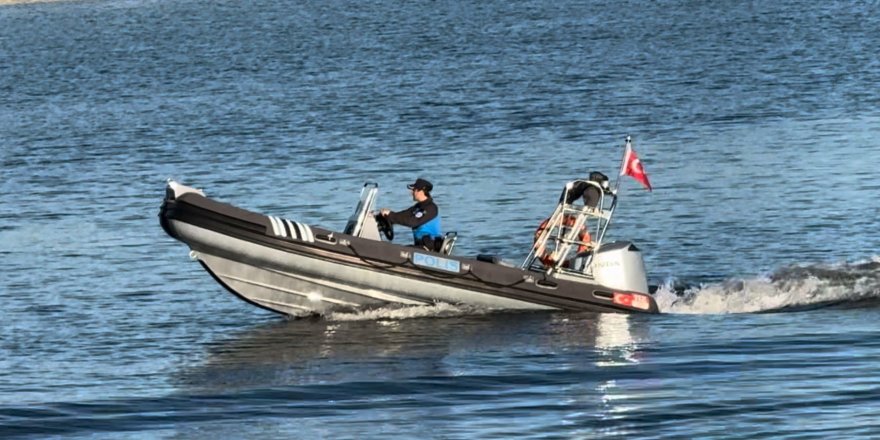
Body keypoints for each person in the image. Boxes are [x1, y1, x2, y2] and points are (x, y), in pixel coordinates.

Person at [379, 178, 442, 250]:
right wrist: (385, 217)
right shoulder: (418, 207)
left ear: (421, 191)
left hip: (429, 247)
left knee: (398, 250)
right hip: (420, 246)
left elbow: (412, 222)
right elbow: (402, 215)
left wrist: (391, 215)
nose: (411, 193)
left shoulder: (431, 208)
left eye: (414, 190)